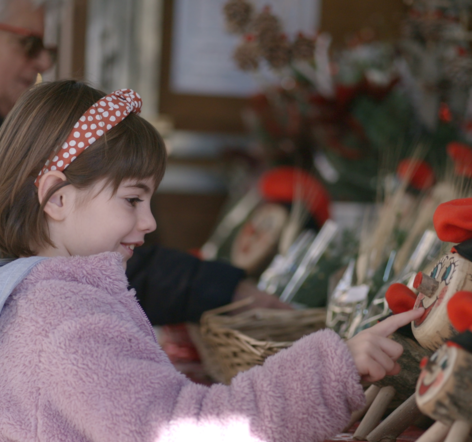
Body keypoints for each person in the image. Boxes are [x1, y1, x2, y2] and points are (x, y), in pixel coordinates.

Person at [0, 80, 424, 442]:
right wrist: (330, 372)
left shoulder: (35, 302)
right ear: (56, 199)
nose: (148, 222)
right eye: (132, 199)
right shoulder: (65, 322)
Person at [0, 0, 290, 326]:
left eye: (47, 47)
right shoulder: (64, 320)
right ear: (57, 197)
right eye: (29, 44)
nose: (42, 60)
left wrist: (221, 287)